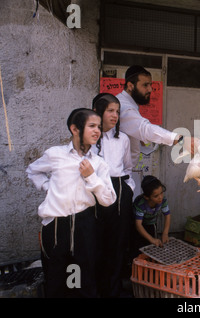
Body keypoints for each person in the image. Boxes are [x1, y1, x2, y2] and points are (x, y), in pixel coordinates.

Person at [26, 108, 116, 298]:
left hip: (85, 225)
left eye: (99, 127)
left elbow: (108, 200)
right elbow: (33, 170)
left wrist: (91, 177)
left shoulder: (99, 164)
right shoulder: (55, 154)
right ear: (75, 129)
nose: (97, 131)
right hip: (56, 226)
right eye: (92, 126)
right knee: (56, 277)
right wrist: (47, 186)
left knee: (83, 277)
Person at [92, 93, 134, 298]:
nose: (115, 115)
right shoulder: (89, 138)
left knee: (118, 243)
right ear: (97, 112)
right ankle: (97, 289)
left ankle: (114, 289)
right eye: (110, 110)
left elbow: (128, 167)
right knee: (96, 242)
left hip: (119, 191)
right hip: (94, 192)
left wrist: (129, 189)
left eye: (117, 111)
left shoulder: (123, 138)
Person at [116, 65, 183, 167]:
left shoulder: (129, 104)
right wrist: (177, 138)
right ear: (130, 86)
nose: (150, 89)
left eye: (150, 85)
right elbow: (144, 128)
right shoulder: (124, 106)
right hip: (119, 174)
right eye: (145, 85)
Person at [133, 175, 171, 251]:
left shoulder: (163, 200)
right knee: (138, 247)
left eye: (161, 193)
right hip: (138, 225)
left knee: (152, 247)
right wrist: (152, 239)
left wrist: (165, 233)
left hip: (151, 224)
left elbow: (167, 215)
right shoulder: (140, 204)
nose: (160, 197)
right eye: (156, 196)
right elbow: (138, 225)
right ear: (147, 197)